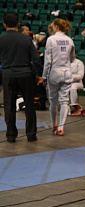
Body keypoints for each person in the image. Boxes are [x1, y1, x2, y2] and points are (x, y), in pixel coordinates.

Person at [0, 13, 43, 143]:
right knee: (29, 105)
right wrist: (38, 75)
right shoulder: (26, 39)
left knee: (9, 106)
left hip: (8, 75)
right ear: (18, 24)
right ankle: (31, 134)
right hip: (26, 75)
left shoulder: (1, 39)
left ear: (4, 25)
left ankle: (11, 135)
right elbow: (36, 59)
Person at [42, 18, 75, 136]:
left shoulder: (51, 39)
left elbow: (48, 60)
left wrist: (44, 76)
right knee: (64, 100)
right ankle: (61, 127)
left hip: (54, 73)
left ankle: (53, 124)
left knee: (53, 100)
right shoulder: (70, 40)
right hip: (67, 72)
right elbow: (72, 58)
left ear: (56, 26)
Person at [70, 50, 85, 114]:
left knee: (72, 87)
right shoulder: (65, 63)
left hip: (77, 83)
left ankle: (74, 106)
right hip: (66, 82)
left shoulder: (79, 63)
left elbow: (81, 75)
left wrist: (72, 78)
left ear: (76, 55)